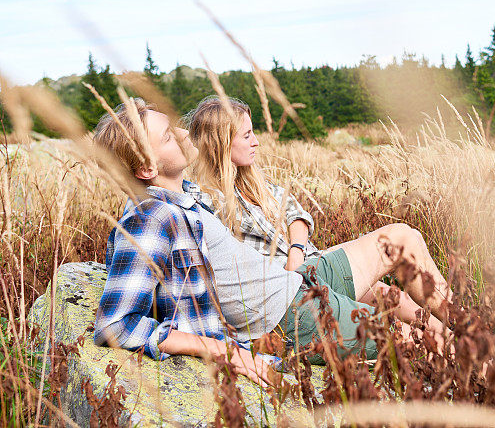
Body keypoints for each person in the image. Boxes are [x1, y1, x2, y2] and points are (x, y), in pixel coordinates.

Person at [92, 99, 451, 386]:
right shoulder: (149, 218)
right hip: (288, 315)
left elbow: (290, 211)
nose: (185, 135)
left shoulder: (183, 196)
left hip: (299, 280)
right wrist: (226, 351)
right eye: (170, 136)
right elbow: (115, 324)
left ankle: (474, 334)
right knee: (416, 336)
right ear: (146, 169)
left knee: (402, 237)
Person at [185, 96, 447, 338]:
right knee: (401, 243)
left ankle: (462, 339)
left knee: (394, 298)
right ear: (219, 143)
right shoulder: (207, 203)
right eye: (247, 135)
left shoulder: (251, 181)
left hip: (308, 265)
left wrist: (296, 249)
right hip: (290, 291)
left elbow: (294, 211)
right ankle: (462, 330)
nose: (256, 141)